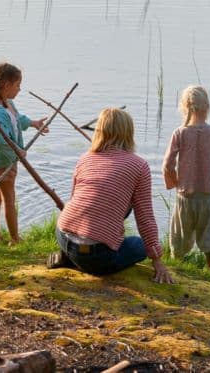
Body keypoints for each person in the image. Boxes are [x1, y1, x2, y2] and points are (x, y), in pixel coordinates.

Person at [47, 108, 174, 283]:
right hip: (96, 256)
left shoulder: (85, 158)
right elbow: (145, 217)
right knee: (139, 245)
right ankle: (86, 256)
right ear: (128, 133)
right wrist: (157, 261)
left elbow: (75, 200)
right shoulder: (139, 166)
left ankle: (68, 257)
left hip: (63, 236)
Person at [0, 62, 48, 245]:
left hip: (5, 157)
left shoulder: (9, 104)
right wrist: (18, 150)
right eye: (17, 85)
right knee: (8, 199)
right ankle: (14, 238)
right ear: (6, 85)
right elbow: (1, 139)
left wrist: (33, 123)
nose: (19, 89)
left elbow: (18, 120)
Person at [162, 85, 210, 269]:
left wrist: (174, 182)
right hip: (208, 196)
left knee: (180, 237)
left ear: (184, 108)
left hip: (186, 196)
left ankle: (177, 266)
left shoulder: (180, 133)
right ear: (207, 107)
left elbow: (167, 164)